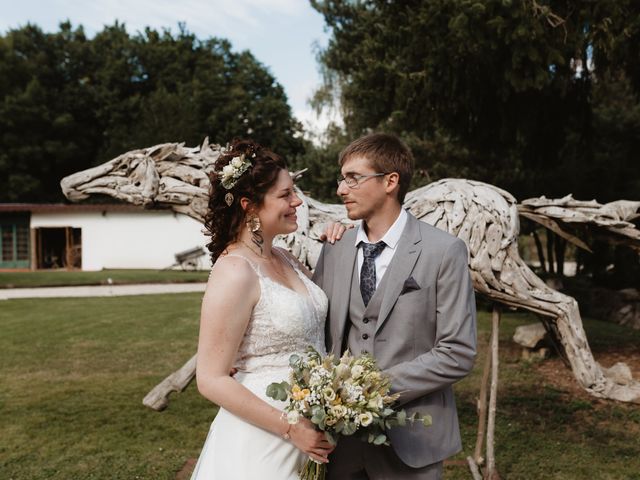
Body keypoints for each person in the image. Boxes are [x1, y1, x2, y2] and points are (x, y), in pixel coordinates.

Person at [313, 133, 477, 480]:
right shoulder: (334, 248)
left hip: (413, 441)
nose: (341, 189)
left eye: (353, 178)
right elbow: (313, 330)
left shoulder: (443, 251)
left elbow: (457, 351)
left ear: (391, 182)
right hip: (341, 448)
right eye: (341, 179)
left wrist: (370, 391)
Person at [190, 139, 335, 479]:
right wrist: (289, 428)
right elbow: (210, 379)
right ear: (249, 206)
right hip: (262, 440)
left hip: (311, 432)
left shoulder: (286, 258)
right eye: (286, 195)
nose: (297, 201)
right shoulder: (235, 271)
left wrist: (337, 243)